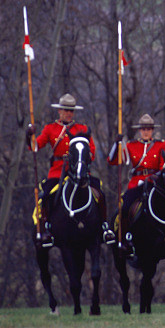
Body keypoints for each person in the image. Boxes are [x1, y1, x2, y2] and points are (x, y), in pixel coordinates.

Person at [26, 93, 114, 247]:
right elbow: (35, 146)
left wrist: (83, 158)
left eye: (71, 111)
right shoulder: (50, 129)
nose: (68, 113)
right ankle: (46, 228)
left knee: (99, 194)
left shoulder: (82, 129)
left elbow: (92, 153)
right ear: (59, 111)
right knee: (45, 196)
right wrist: (30, 134)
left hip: (79, 171)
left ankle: (104, 227)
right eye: (66, 110)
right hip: (57, 171)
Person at [107, 113, 165, 257]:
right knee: (124, 207)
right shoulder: (131, 145)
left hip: (155, 183)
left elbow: (164, 167)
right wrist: (116, 144)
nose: (146, 131)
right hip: (136, 184)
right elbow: (113, 160)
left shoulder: (161, 144)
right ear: (139, 130)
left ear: (152, 130)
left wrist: (155, 178)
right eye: (143, 129)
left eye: (149, 129)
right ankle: (124, 237)